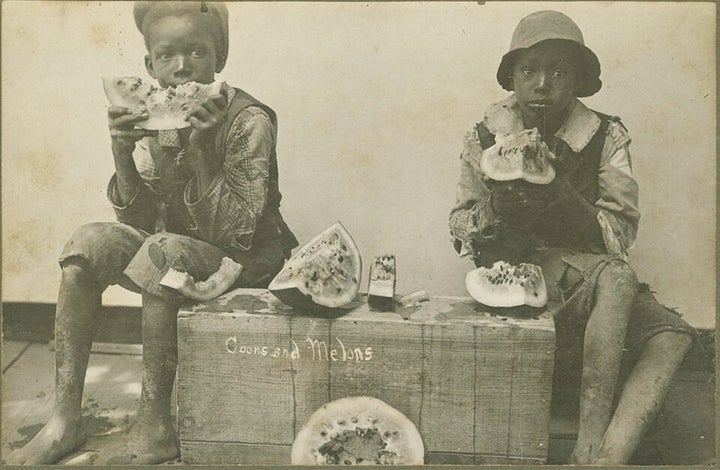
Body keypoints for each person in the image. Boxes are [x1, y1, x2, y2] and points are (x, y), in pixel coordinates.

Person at [7, 1, 297, 465]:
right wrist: (121, 151)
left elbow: (235, 234)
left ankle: (156, 423)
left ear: (220, 57)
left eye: (198, 52)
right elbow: (137, 224)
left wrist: (202, 149)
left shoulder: (249, 120)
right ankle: (63, 419)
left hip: (246, 262)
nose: (183, 67)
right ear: (150, 65)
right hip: (173, 253)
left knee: (162, 252)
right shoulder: (151, 112)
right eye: (168, 56)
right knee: (86, 244)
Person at [449, 10, 696, 464]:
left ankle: (608, 456)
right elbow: (460, 227)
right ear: (512, 77)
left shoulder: (606, 135)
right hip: (522, 273)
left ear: (578, 79)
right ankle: (585, 451)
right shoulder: (484, 135)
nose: (542, 83)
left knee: (672, 334)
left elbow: (619, 233)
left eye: (559, 72)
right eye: (529, 70)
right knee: (619, 278)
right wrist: (496, 208)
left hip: (595, 278)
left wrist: (561, 190)